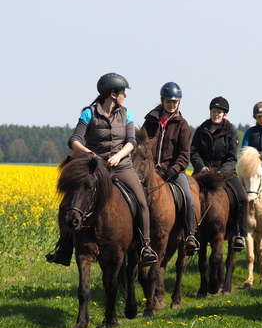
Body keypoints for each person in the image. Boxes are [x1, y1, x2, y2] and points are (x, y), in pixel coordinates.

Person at [46, 73, 158, 267]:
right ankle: (64, 247)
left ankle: (144, 245)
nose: (125, 96)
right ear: (112, 94)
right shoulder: (89, 113)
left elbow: (131, 142)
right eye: (123, 92)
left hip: (121, 165)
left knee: (141, 202)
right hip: (95, 167)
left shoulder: (127, 114)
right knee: (67, 203)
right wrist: (90, 153)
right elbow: (73, 141)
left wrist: (118, 156)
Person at [141, 82, 200, 255]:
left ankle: (190, 235)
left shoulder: (183, 125)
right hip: (150, 171)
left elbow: (184, 153)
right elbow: (143, 145)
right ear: (162, 100)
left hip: (173, 171)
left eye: (175, 102)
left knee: (188, 196)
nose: (172, 105)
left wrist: (174, 168)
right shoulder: (150, 120)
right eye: (168, 101)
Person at [190, 96, 247, 250]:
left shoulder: (231, 132)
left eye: (219, 112)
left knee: (242, 197)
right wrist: (201, 167)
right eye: (214, 111)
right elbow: (194, 152)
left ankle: (239, 233)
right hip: (203, 172)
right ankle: (189, 233)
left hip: (225, 172)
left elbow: (231, 157)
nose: (216, 114)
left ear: (225, 114)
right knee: (188, 195)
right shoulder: (201, 130)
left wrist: (222, 171)